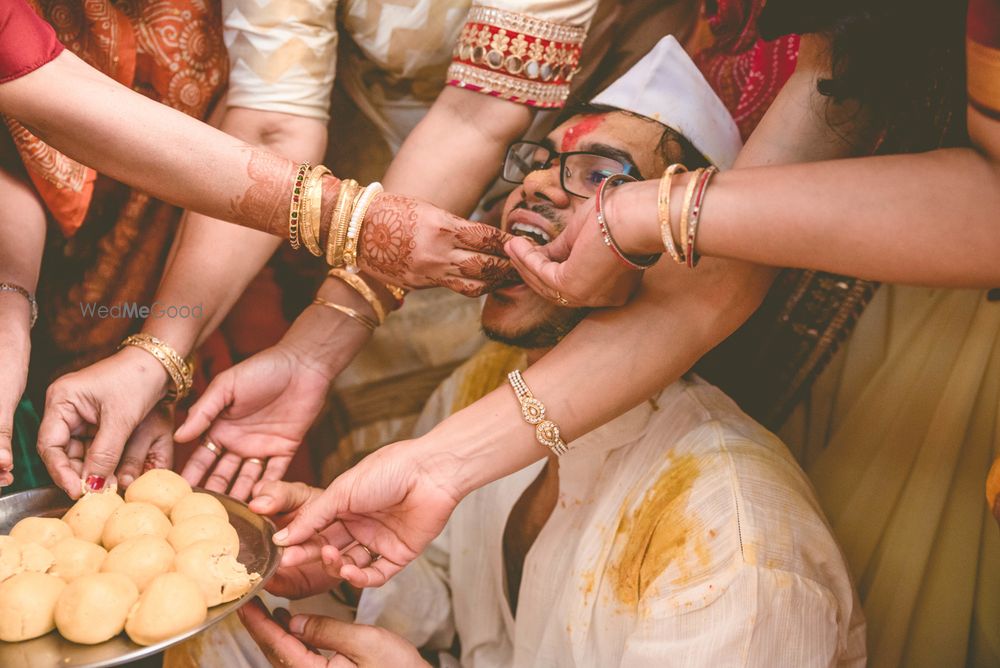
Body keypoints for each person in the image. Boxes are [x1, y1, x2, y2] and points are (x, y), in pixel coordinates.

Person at [260, 0, 1000, 664]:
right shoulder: (475, 393)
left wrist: (642, 215)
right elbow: (448, 597)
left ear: (682, 247)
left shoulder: (730, 546)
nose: (536, 187)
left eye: (597, 173)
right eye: (540, 163)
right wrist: (346, 571)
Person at [0, 0, 517, 494]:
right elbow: (30, 94)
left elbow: (476, 115)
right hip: (201, 229)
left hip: (458, 231)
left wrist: (164, 354)